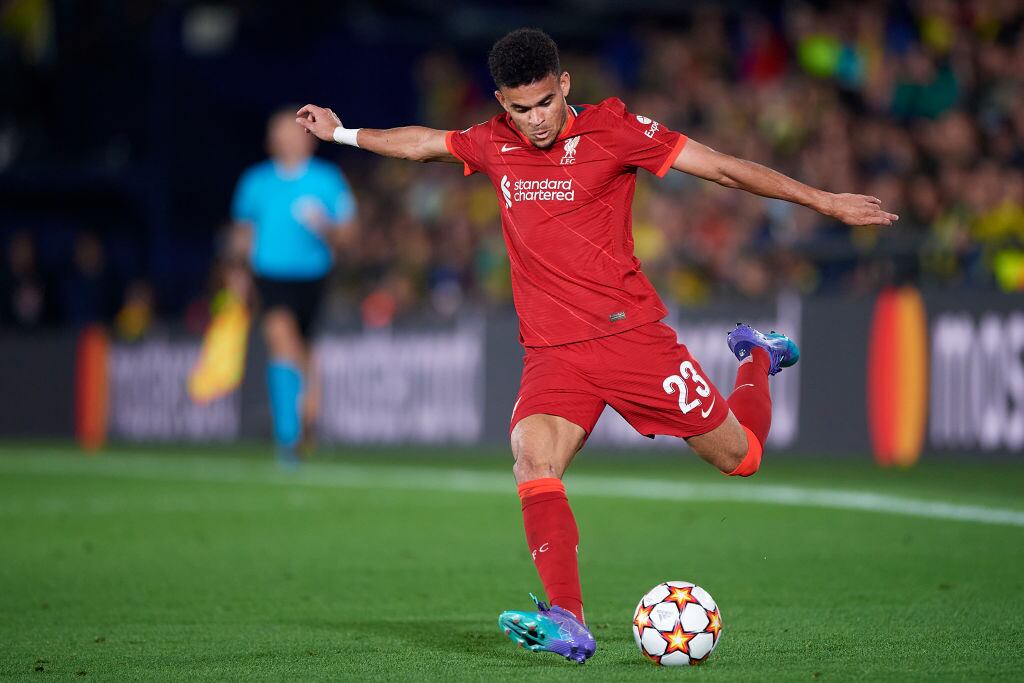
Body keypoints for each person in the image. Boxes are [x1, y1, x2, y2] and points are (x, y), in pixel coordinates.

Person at [296, 28, 897, 663]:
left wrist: (824, 201)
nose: (533, 122)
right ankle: (568, 622)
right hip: (553, 353)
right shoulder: (493, 142)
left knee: (741, 458)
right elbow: (423, 145)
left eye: (544, 104)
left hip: (632, 341)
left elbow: (721, 167)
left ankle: (758, 356)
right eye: (519, 109)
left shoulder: (616, 130)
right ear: (503, 103)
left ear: (565, 87)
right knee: (532, 463)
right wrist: (341, 135)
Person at [231, 106, 357, 465]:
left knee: (305, 353)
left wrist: (326, 228)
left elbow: (349, 234)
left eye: (292, 131)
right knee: (281, 341)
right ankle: (288, 438)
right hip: (270, 276)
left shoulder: (327, 180)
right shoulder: (255, 182)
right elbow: (243, 234)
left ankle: (305, 424)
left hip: (314, 277)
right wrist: (238, 276)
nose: (286, 137)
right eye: (279, 131)